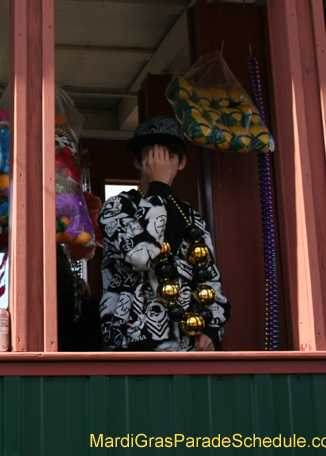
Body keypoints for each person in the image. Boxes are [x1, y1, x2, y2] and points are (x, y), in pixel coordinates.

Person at [98, 116, 230, 351]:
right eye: (151, 155)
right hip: (133, 344)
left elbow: (210, 277)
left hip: (190, 345)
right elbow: (140, 257)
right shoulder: (116, 207)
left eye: (168, 155)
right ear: (138, 162)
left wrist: (211, 328)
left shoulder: (192, 216)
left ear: (181, 162)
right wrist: (158, 188)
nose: (160, 162)